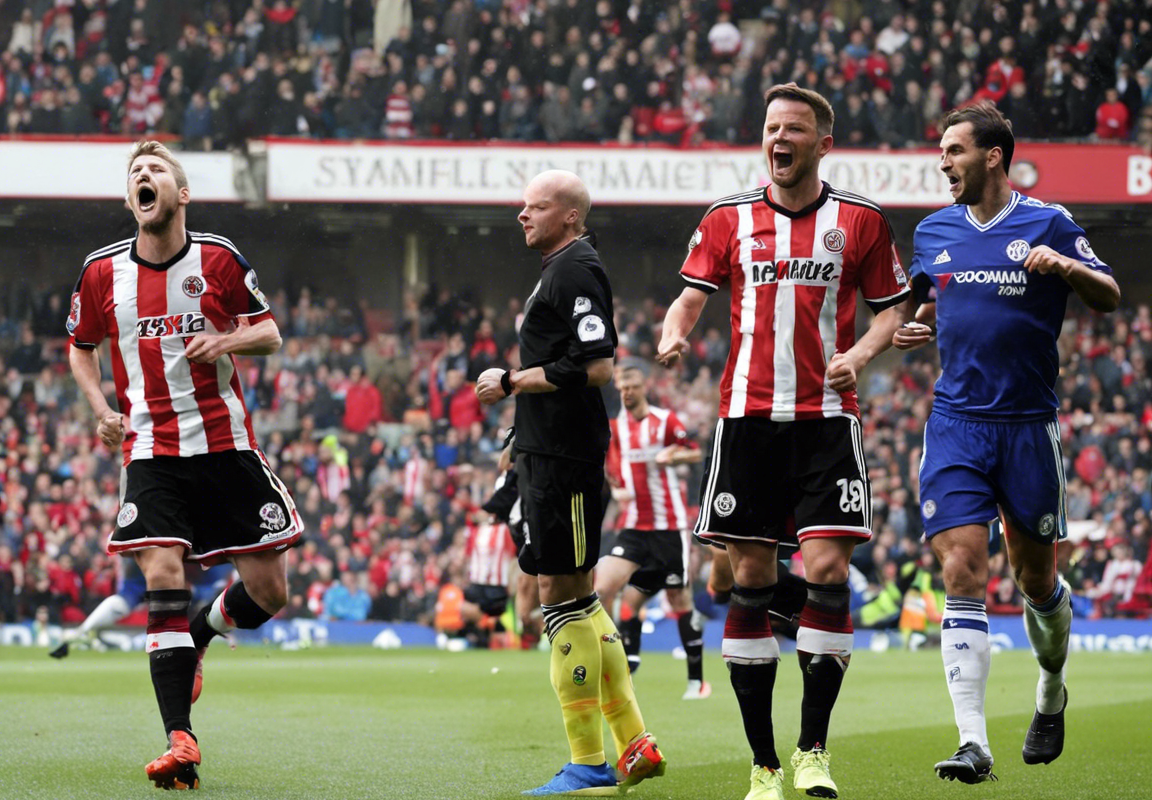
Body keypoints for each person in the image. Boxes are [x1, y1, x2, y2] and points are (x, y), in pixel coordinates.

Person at [657, 84, 912, 800]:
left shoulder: (859, 221)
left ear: (821, 143)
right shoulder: (726, 219)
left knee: (827, 569)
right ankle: (764, 765)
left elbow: (893, 312)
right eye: (771, 127)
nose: (779, 138)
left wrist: (860, 355)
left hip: (828, 420)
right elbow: (690, 294)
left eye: (794, 128)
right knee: (750, 581)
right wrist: (677, 328)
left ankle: (812, 752)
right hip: (745, 424)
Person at [893, 101, 1119, 784]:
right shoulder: (933, 231)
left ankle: (1051, 688)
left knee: (1035, 577)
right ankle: (973, 742)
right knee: (962, 568)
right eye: (941, 151)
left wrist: (1066, 269)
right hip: (957, 424)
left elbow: (1106, 293)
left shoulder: (1048, 222)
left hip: (1028, 427)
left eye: (954, 150)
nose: (943, 163)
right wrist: (926, 323)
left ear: (993, 156)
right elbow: (937, 296)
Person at [67, 140, 303, 790]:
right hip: (150, 452)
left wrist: (224, 338)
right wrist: (99, 406)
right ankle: (180, 738)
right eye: (135, 174)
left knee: (270, 592)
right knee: (162, 570)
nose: (144, 178)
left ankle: (202, 631)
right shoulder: (100, 273)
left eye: (156, 171)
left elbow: (270, 332)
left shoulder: (218, 258)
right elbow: (80, 348)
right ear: (130, 199)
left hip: (224, 445)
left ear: (181, 194)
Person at [475, 170, 665, 796]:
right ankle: (633, 741)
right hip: (546, 454)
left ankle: (588, 762)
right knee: (574, 596)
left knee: (561, 593)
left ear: (571, 217)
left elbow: (598, 366)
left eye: (536, 206)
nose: (522, 215)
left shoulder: (575, 269)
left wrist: (511, 382)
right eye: (523, 206)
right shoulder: (559, 268)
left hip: (567, 462)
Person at [596, 364, 710, 699]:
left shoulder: (665, 420)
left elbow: (694, 452)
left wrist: (673, 457)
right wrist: (615, 489)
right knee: (606, 588)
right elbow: (613, 471)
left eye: (631, 385)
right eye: (621, 387)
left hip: (667, 528)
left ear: (644, 386)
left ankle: (697, 681)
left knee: (678, 599)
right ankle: (627, 662)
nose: (626, 392)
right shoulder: (617, 429)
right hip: (632, 527)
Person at [48, 558, 230, 659]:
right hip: (167, 554)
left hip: (153, 551)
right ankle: (82, 632)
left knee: (124, 603)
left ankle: (81, 633)